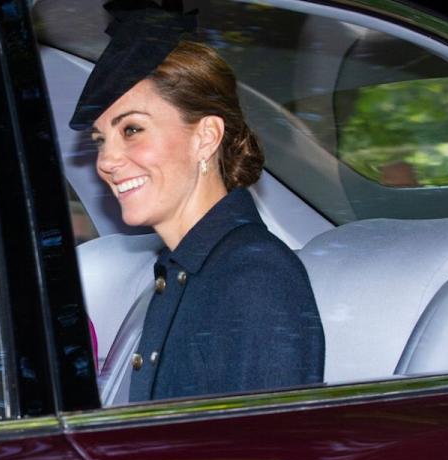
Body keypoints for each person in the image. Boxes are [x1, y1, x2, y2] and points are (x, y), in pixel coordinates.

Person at [70, 1, 324, 402]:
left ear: (205, 137)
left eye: (132, 129)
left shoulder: (254, 276)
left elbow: (262, 456)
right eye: (101, 140)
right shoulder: (182, 268)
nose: (106, 161)